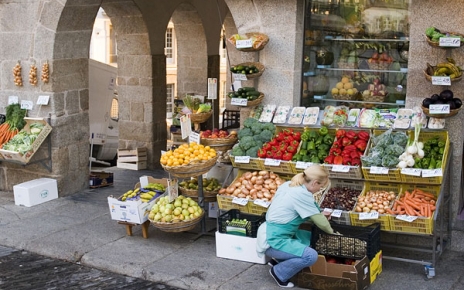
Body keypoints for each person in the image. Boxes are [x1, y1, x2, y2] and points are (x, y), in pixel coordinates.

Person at [256, 164, 335, 288]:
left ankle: (278, 260)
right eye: (321, 186)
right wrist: (332, 233)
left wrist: (319, 213)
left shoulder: (289, 185)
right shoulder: (301, 194)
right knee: (311, 256)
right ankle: (279, 273)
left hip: (269, 233)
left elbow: (302, 209)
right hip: (274, 241)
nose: (320, 189)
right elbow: (321, 223)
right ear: (314, 183)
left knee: (308, 237)